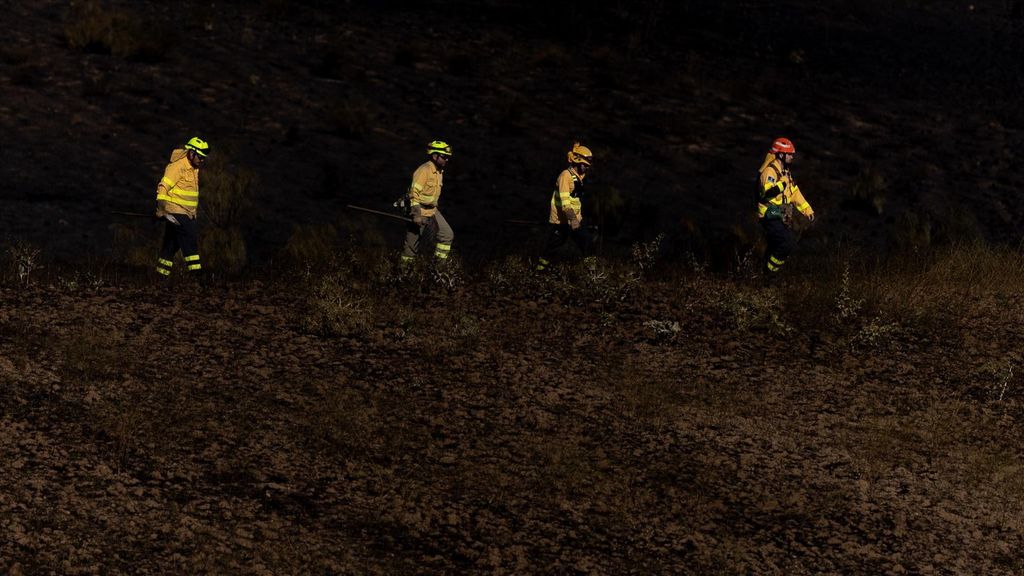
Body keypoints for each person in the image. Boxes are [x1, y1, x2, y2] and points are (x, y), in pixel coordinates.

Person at [756, 137, 814, 279]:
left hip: (783, 213)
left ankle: (762, 276)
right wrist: (781, 184)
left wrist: (808, 210)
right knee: (786, 243)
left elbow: (794, 193)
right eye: (789, 154)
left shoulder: (786, 172)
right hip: (770, 214)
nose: (792, 156)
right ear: (781, 155)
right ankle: (769, 274)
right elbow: (767, 193)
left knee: (774, 246)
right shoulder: (769, 172)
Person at [154, 137, 209, 277]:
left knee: (171, 245)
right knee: (190, 243)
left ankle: (160, 277)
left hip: (188, 214)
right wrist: (161, 209)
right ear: (191, 153)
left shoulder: (193, 168)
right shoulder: (177, 166)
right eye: (200, 157)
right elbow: (163, 187)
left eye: (204, 157)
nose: (202, 160)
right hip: (177, 213)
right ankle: (198, 278)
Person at [536, 142, 594, 271]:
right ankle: (539, 272)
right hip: (561, 221)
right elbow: (565, 202)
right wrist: (572, 219)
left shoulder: (579, 177)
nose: (587, 167)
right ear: (577, 162)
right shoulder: (565, 176)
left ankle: (593, 273)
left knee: (587, 242)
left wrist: (577, 219)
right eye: (585, 165)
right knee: (552, 247)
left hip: (576, 221)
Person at [401, 140, 454, 265]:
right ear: (434, 156)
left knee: (447, 235)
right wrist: (416, 214)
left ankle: (437, 270)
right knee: (411, 247)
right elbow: (413, 194)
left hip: (432, 211)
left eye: (448, 157)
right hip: (419, 210)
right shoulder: (424, 170)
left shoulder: (439, 171)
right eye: (444, 157)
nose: (447, 160)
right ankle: (404, 275)